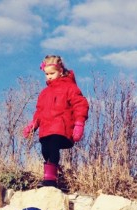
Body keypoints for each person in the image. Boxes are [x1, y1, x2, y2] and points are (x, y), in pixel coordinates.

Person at [22, 55, 89, 189]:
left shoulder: (70, 88)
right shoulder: (44, 93)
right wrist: (33, 126)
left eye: (52, 73)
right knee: (45, 150)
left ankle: (50, 181)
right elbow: (39, 112)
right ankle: (52, 176)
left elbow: (80, 105)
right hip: (46, 129)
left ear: (61, 71)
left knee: (53, 147)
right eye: (46, 74)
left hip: (61, 128)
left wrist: (79, 123)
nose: (49, 76)